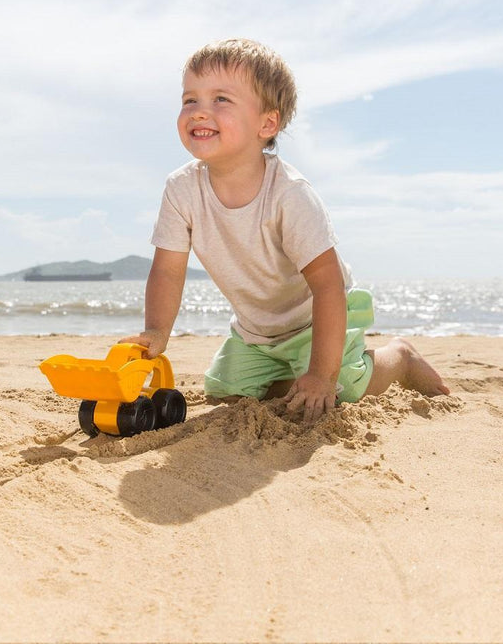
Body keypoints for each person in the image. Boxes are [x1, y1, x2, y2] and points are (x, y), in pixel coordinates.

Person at [122, 38, 449, 424]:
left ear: (267, 123)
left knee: (339, 389)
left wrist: (321, 376)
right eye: (189, 99)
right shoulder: (181, 189)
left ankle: (399, 360)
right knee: (225, 392)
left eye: (221, 100)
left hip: (318, 319)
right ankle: (292, 372)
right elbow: (168, 269)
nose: (198, 112)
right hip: (257, 332)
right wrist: (157, 331)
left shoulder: (289, 195)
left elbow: (328, 286)